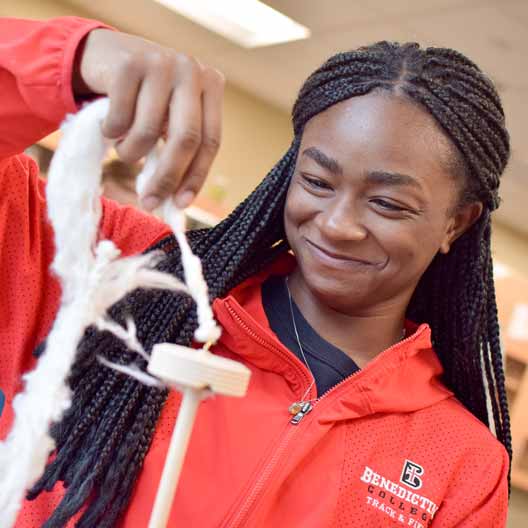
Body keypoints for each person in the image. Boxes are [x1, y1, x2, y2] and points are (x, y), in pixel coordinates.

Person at [0, 15, 511, 528]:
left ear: (456, 223)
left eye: (387, 203)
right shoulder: (121, 272)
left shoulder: (461, 466)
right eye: (316, 180)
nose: (336, 225)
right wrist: (74, 57)